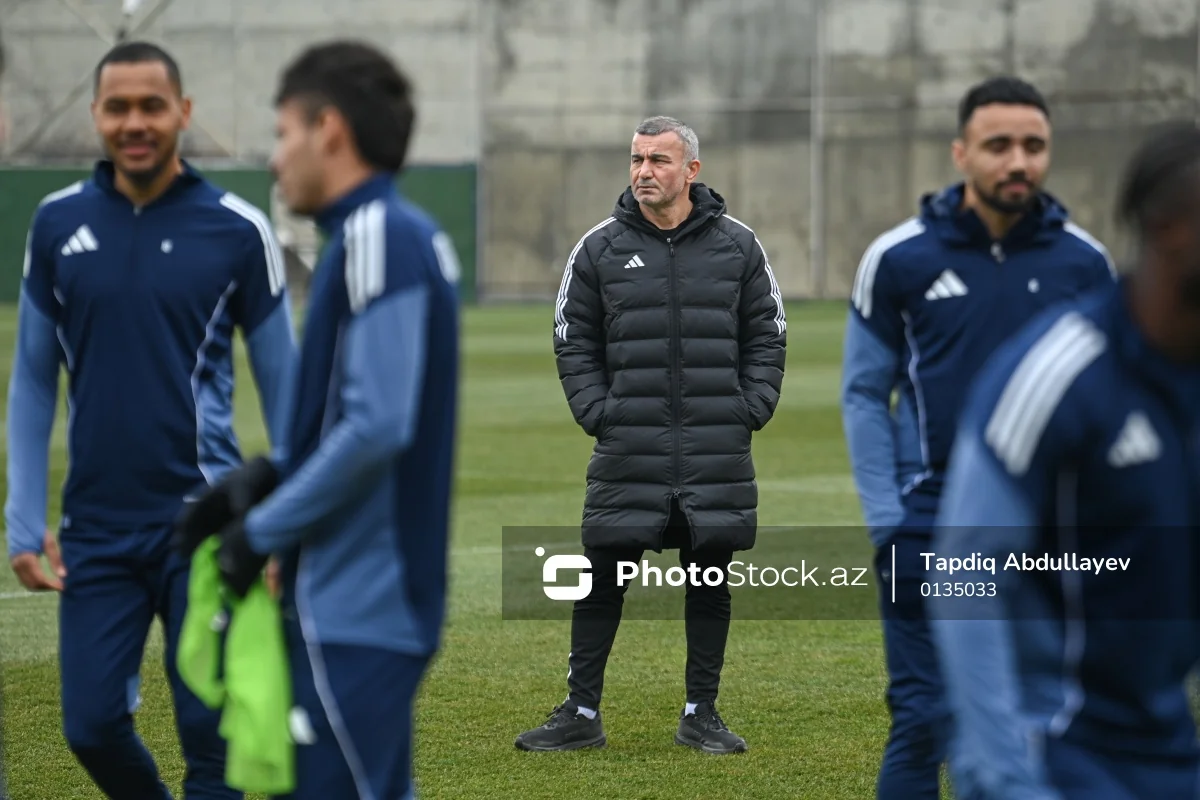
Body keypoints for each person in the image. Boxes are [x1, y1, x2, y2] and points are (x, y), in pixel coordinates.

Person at [4, 41, 297, 798]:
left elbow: (288, 393)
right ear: (96, 115)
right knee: (91, 726)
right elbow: (35, 379)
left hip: (204, 527)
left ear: (183, 113)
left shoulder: (236, 229)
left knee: (210, 737)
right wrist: (24, 515)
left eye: (151, 106)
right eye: (118, 107)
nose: (135, 122)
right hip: (96, 528)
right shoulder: (55, 223)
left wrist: (281, 524)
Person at [173, 39, 461, 799]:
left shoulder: (377, 238)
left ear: (328, 130)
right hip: (358, 603)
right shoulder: (386, 238)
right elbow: (354, 414)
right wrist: (263, 478)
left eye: (282, 133)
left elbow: (377, 426)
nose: (275, 159)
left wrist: (258, 534)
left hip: (357, 605)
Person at [840, 75, 1117, 799]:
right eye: (999, 145)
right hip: (929, 523)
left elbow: (1106, 398)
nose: (1017, 162)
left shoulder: (1085, 264)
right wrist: (887, 521)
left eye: (1033, 146)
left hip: (1051, 530)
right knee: (925, 717)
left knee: (1045, 711)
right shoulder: (900, 259)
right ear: (962, 153)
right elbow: (867, 392)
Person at [930, 119, 1200, 799]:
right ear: (1170, 227)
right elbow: (965, 576)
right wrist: (1002, 776)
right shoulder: (1061, 374)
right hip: (1060, 751)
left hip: (1168, 746)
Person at [515, 116, 787, 755]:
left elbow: (768, 332)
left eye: (658, 161)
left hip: (714, 442)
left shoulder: (739, 246)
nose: (643, 172)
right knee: (603, 572)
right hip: (628, 440)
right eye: (636, 160)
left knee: (710, 573)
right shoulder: (600, 248)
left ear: (691, 170)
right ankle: (580, 712)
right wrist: (597, 411)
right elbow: (571, 336)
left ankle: (702, 712)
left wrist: (749, 406)